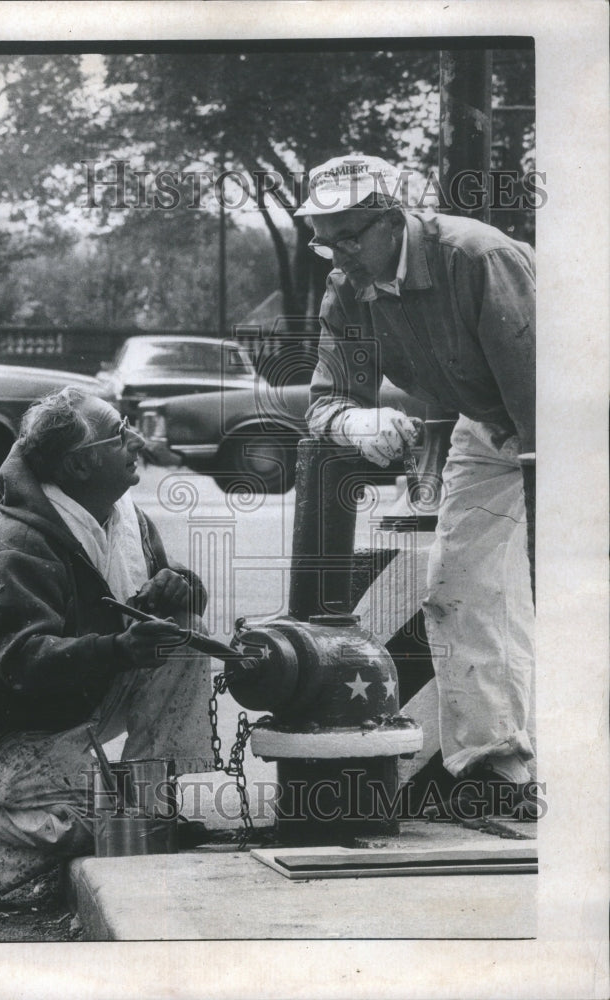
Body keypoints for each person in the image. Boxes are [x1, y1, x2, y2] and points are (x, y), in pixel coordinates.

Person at [297, 154, 535, 817]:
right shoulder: (347, 289)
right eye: (326, 237)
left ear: (396, 218)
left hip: (564, 422)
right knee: (458, 588)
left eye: (351, 234)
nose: (339, 252)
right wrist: (353, 419)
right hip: (490, 428)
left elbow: (542, 401)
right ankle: (500, 769)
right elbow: (325, 403)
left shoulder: (477, 257)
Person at [0, 387, 214, 900]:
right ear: (80, 466)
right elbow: (25, 663)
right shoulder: (14, 547)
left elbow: (176, 593)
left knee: (184, 639)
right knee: (89, 826)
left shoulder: (124, 517)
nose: (134, 438)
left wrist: (179, 586)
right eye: (118, 433)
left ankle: (149, 805)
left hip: (68, 707)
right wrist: (121, 649)